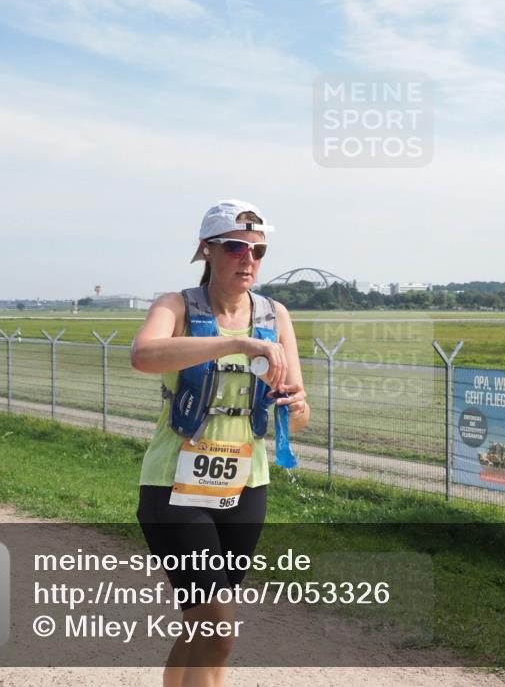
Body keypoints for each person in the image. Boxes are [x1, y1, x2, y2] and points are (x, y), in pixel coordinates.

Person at [131, 199, 309, 687]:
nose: (247, 259)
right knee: (219, 626)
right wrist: (236, 343)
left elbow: (298, 398)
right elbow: (144, 355)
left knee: (204, 627)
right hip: (175, 487)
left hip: (245, 485)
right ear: (206, 250)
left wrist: (296, 404)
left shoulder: (275, 315)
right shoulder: (176, 306)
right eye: (235, 247)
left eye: (258, 250)